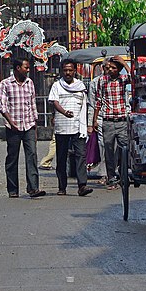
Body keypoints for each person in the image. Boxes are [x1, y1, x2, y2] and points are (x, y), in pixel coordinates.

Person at [0, 59, 45, 199]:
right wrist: (11, 122)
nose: (28, 70)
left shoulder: (29, 83)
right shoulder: (5, 84)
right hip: (13, 126)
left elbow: (32, 105)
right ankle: (13, 189)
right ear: (18, 68)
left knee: (32, 155)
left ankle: (33, 188)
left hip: (29, 125)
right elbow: (3, 107)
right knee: (12, 157)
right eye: (26, 67)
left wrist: (35, 126)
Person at [48, 60, 92, 197]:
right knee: (61, 157)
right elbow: (54, 102)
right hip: (62, 127)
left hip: (78, 127)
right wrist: (63, 112)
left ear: (74, 71)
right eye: (65, 70)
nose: (68, 73)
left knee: (80, 156)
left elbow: (85, 105)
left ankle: (82, 185)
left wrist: (87, 123)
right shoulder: (57, 86)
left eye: (70, 70)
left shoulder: (81, 86)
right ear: (62, 71)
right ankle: (62, 186)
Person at [90, 56, 130, 190]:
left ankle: (124, 176)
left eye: (114, 68)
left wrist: (124, 63)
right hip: (107, 120)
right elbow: (98, 101)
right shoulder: (102, 81)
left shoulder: (123, 79)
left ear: (119, 69)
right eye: (109, 68)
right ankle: (111, 178)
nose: (111, 70)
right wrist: (95, 120)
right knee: (108, 151)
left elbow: (136, 78)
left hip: (122, 120)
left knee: (124, 149)